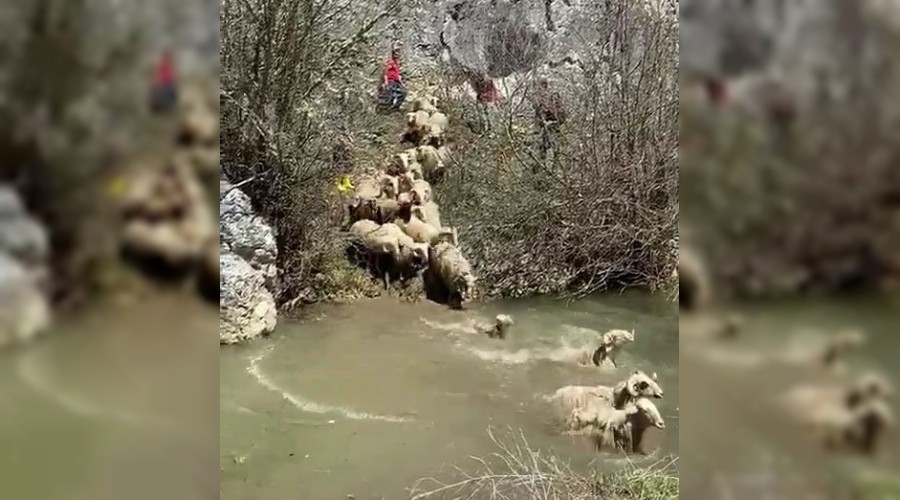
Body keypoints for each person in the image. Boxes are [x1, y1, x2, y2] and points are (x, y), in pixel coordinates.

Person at [532, 77, 566, 161]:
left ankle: (545, 166)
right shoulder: (552, 95)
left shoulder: (546, 96)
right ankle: (550, 164)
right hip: (551, 126)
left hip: (548, 126)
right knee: (551, 148)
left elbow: (545, 110)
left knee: (546, 148)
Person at [380, 41, 407, 109]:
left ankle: (396, 105)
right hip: (391, 81)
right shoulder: (391, 62)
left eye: (398, 54)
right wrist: (386, 81)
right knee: (390, 95)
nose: (397, 55)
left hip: (396, 81)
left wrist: (401, 82)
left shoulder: (397, 63)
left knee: (403, 93)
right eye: (396, 54)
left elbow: (398, 74)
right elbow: (386, 72)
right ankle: (387, 107)